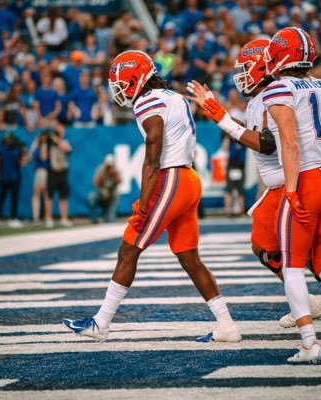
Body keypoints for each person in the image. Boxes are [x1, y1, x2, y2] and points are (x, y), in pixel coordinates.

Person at [63, 50, 241, 343]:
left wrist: (144, 202)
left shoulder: (148, 101)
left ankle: (101, 323)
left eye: (121, 83)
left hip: (170, 179)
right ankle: (227, 324)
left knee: (129, 249)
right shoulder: (172, 96)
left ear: (135, 80)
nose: (118, 90)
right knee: (189, 257)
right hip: (187, 178)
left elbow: (152, 158)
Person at [187, 38, 321, 345]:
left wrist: (220, 116)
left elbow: (268, 143)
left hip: (291, 183)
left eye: (246, 67)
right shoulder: (277, 94)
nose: (240, 74)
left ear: (265, 64)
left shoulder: (276, 93)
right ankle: (308, 305)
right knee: (271, 250)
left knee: (308, 260)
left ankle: (318, 317)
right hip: (302, 181)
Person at [261, 27, 321, 363]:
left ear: (283, 55)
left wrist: (289, 191)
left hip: (306, 181)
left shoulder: (279, 88)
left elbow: (290, 143)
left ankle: (308, 344)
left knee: (291, 268)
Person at [0, 134, 26, 228]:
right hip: (14, 177)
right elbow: (22, 163)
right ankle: (13, 218)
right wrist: (24, 155)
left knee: (2, 197)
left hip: (5, 177)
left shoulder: (1, 150)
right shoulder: (16, 151)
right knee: (13, 198)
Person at [46, 124, 72, 228]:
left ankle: (64, 218)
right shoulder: (49, 142)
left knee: (63, 196)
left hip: (63, 171)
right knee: (49, 196)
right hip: (53, 170)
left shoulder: (64, 142)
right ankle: (48, 218)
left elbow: (67, 149)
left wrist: (57, 140)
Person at [88, 154, 121, 223]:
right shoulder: (100, 169)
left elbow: (120, 182)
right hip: (101, 194)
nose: (109, 167)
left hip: (112, 196)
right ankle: (94, 219)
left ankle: (109, 216)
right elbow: (95, 182)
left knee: (110, 220)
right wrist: (102, 173)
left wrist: (114, 174)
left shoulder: (116, 170)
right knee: (91, 198)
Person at [30, 131, 51, 225]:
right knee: (41, 195)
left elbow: (43, 158)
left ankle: (44, 217)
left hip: (43, 171)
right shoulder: (39, 145)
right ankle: (38, 218)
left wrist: (40, 145)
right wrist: (34, 146)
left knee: (43, 195)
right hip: (41, 171)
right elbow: (29, 157)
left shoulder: (45, 145)